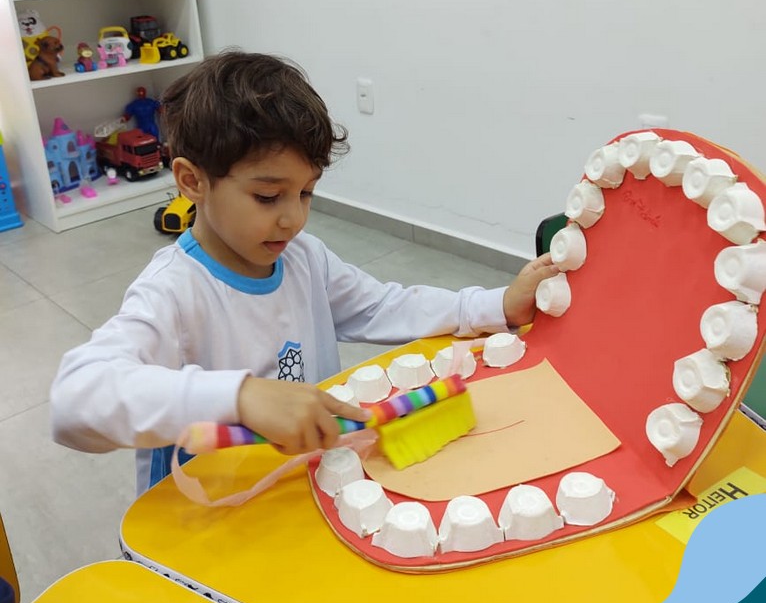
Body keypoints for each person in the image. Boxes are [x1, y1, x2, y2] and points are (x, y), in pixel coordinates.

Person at [51, 52, 559, 494]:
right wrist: (241, 396)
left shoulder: (303, 258)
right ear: (192, 181)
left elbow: (383, 305)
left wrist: (495, 305)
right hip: (208, 516)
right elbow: (76, 401)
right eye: (268, 196)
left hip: (300, 487)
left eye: (306, 192)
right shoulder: (173, 291)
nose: (293, 218)